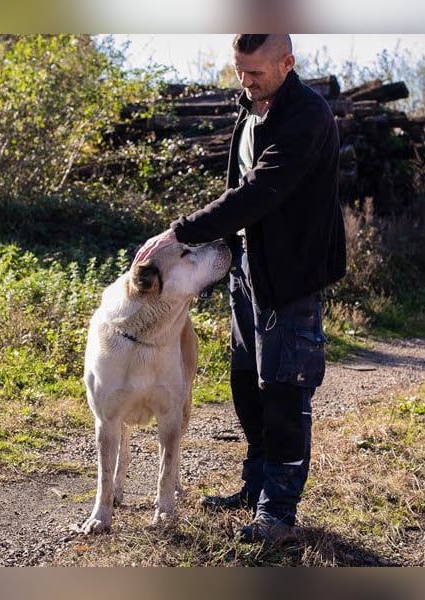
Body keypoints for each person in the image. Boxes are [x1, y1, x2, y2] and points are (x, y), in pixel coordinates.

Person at [134, 34, 346, 543]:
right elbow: (237, 188)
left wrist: (181, 232)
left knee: (284, 390)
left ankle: (277, 513)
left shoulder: (306, 116)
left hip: (289, 279)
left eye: (255, 73)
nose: (245, 83)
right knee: (247, 386)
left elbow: (258, 192)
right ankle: (253, 490)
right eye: (239, 71)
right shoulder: (251, 108)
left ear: (287, 62)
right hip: (246, 270)